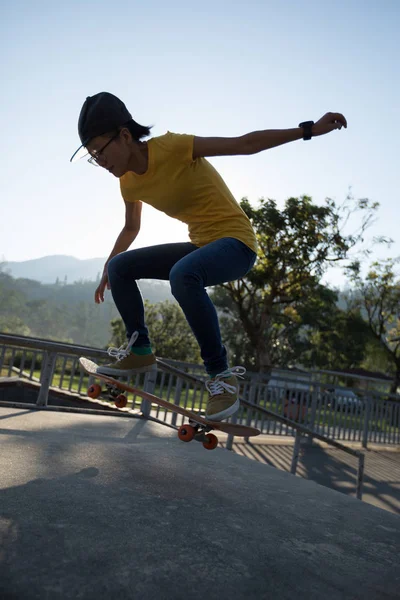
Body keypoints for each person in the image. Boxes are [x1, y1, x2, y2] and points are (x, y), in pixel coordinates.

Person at [70, 92, 347, 421]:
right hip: (202, 247)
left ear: (125, 135)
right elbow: (131, 228)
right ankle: (140, 350)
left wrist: (307, 130)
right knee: (120, 267)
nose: (100, 160)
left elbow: (244, 144)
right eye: (92, 156)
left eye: (101, 150)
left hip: (237, 245)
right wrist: (107, 269)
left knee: (182, 275)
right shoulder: (128, 183)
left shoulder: (173, 147)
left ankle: (222, 378)